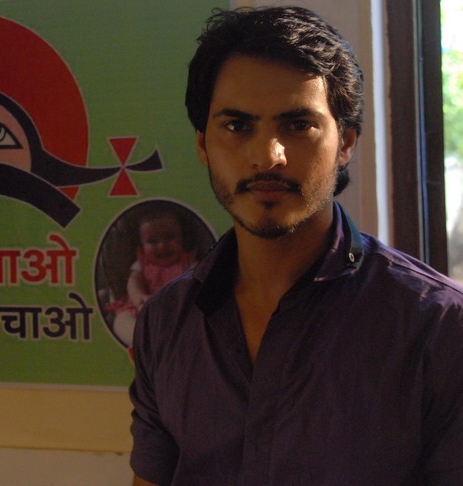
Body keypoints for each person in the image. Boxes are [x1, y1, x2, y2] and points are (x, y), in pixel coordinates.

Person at [129, 6, 463, 485]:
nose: (268, 156)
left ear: (345, 142)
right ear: (203, 145)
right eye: (237, 126)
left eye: (298, 125)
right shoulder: (165, 323)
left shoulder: (438, 327)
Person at [112, 205, 198, 347]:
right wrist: (139, 298)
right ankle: (144, 340)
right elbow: (133, 281)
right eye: (152, 241)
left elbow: (196, 285)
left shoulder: (188, 263)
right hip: (144, 310)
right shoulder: (142, 263)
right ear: (142, 245)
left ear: (182, 238)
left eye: (170, 237)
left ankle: (167, 341)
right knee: (121, 320)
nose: (162, 246)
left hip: (176, 312)